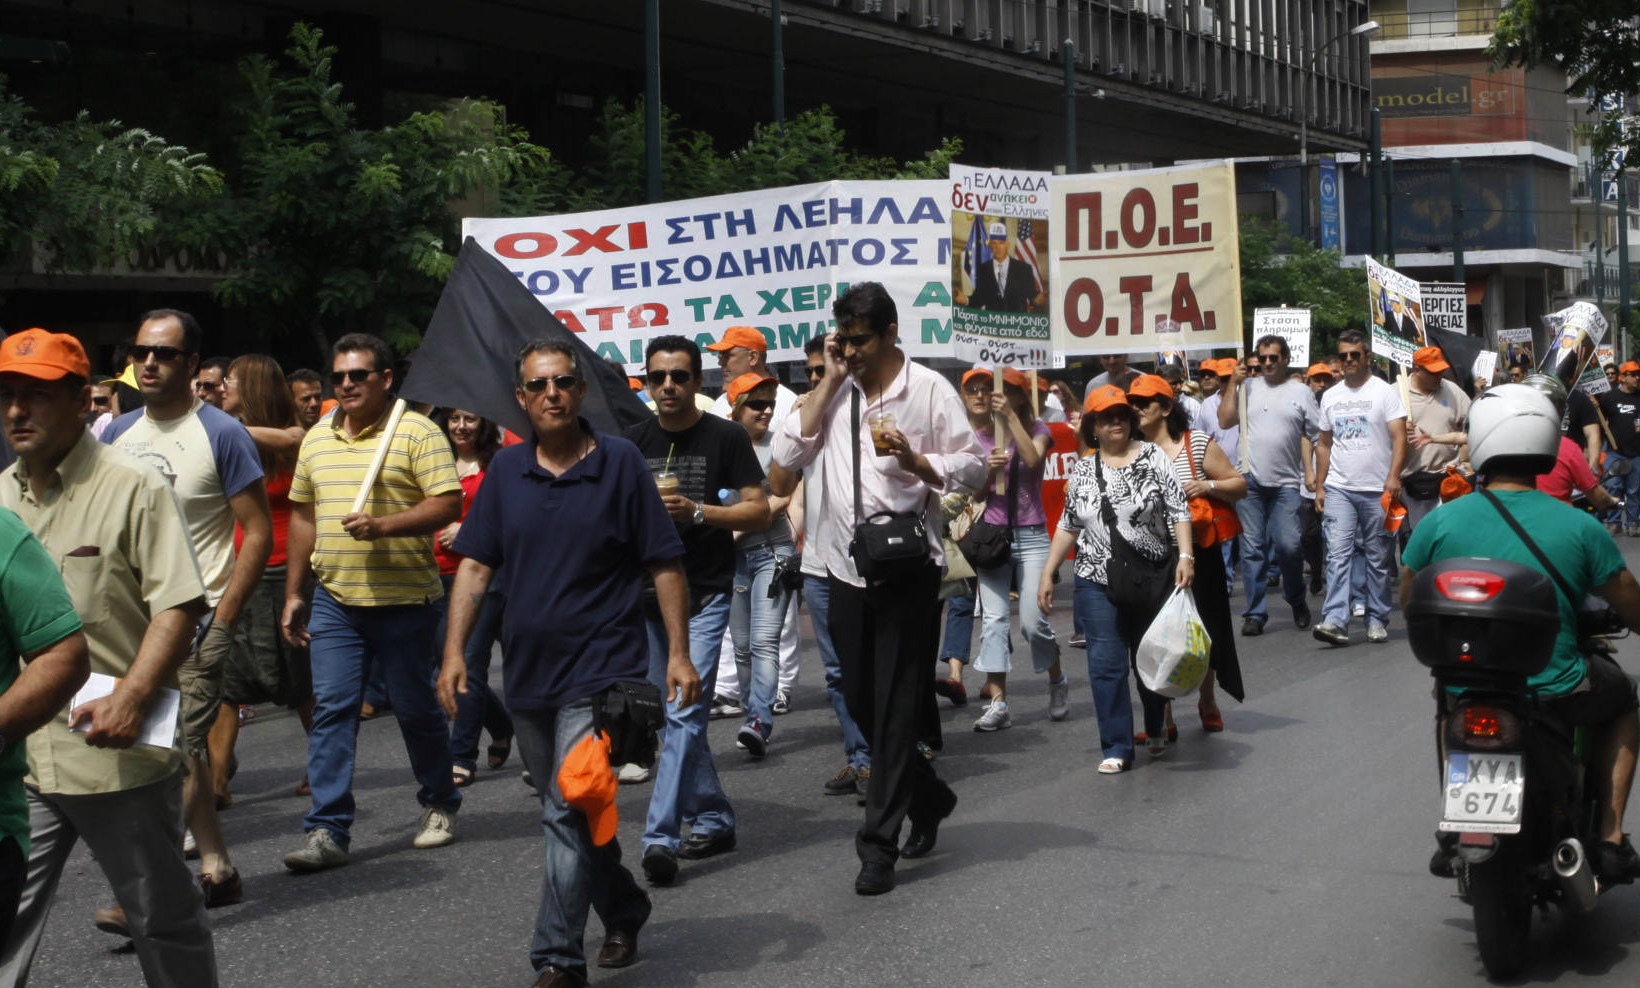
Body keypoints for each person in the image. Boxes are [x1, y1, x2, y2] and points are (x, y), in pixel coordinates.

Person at [437, 339, 696, 988]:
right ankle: (624, 905)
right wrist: (453, 653)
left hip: (601, 670)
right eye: (537, 386)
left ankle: (557, 957)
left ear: (579, 392)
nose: (551, 394)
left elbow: (663, 561)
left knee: (564, 806)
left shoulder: (620, 464)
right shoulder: (505, 472)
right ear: (521, 401)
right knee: (577, 812)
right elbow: (475, 564)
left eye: (562, 383)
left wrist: (680, 654)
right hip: (528, 675)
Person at [0, 328, 217, 987]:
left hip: (116, 740)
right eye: (7, 396)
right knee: (8, 924)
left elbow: (179, 605)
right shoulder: (2, 497)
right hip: (19, 752)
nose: (15, 412)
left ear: (79, 399)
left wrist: (135, 694)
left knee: (160, 918)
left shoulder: (133, 485)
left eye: (34, 397)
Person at [768, 282, 985, 895]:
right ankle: (929, 794)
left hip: (908, 568)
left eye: (860, 340)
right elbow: (784, 456)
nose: (851, 350)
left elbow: (973, 465)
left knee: (893, 707)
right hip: (842, 566)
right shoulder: (832, 390)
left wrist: (919, 462)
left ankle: (877, 846)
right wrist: (829, 381)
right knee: (859, 697)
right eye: (843, 339)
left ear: (890, 333)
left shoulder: (928, 390)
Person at [1404, 383, 1640, 884]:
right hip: (1559, 689)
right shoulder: (1579, 526)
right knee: (1623, 699)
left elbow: (1409, 599)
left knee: (1447, 704)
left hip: (1470, 687)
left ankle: (1454, 824)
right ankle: (1612, 836)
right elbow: (1629, 604)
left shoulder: (1441, 522)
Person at [102, 308, 271, 913]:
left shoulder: (222, 434)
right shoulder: (117, 436)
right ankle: (218, 864)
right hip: (132, 627)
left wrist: (224, 620)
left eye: (165, 353)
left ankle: (146, 889)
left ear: (192, 364)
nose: (149, 362)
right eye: (141, 350)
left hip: (198, 625)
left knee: (168, 750)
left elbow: (258, 533)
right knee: (179, 749)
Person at [279, 333, 464, 872]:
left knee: (414, 708)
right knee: (333, 708)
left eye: (359, 375)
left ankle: (439, 801)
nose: (347, 385)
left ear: (385, 379)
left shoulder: (417, 432)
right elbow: (303, 516)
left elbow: (447, 502)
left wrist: (384, 526)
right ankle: (327, 830)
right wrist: (294, 593)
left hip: (405, 597)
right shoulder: (317, 438)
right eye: (340, 376)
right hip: (335, 598)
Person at [624, 336, 769, 885]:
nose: (668, 386)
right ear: (645, 381)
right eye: (657, 377)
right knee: (670, 715)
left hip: (704, 593)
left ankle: (659, 835)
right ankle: (712, 814)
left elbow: (758, 511)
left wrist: (700, 513)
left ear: (698, 380)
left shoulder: (725, 436)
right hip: (645, 597)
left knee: (684, 713)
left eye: (679, 376)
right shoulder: (632, 441)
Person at [1038, 385, 1193, 774]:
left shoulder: (1154, 456)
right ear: (1092, 426)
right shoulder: (1084, 469)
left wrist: (1186, 556)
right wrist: (1048, 572)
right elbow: (1069, 524)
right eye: (1106, 417)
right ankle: (1117, 746)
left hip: (1151, 574)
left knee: (1149, 656)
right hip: (1095, 577)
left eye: (1121, 414)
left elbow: (1179, 509)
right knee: (1105, 664)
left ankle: (1155, 725)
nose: (1115, 422)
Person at [211, 355, 314, 806]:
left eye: (229, 381)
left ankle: (324, 766)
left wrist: (219, 427)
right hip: (237, 570)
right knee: (225, 681)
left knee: (301, 682)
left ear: (250, 387)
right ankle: (216, 782)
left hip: (286, 569)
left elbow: (295, 438)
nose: (221, 387)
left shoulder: (292, 435)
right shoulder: (225, 434)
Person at [1130, 373, 1246, 732]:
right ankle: (1162, 714)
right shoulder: (1130, 451)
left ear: (1165, 408)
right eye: (1131, 404)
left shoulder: (1196, 444)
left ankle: (1207, 699)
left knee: (1204, 630)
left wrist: (1206, 485)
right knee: (1156, 634)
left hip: (1199, 552)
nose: (1134, 411)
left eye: (1142, 404)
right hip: (1150, 558)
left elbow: (1239, 484)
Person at [792, 336, 872, 798]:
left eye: (827, 370)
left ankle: (892, 754)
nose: (818, 379)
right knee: (838, 671)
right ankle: (861, 758)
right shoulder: (805, 417)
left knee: (873, 666)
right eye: (812, 372)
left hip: (868, 563)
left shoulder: (866, 411)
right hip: (819, 564)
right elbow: (784, 473)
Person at [968, 367, 1067, 732]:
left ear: (1021, 396)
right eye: (993, 389)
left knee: (1032, 622)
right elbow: (975, 495)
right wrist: (984, 473)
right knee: (993, 622)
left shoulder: (1038, 429)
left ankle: (1057, 680)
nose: (996, 395)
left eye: (1006, 389)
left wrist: (1009, 418)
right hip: (992, 534)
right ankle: (998, 702)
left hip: (1032, 535)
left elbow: (1032, 460)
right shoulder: (978, 436)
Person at [432, 409, 514, 786]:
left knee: (470, 659)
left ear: (483, 423)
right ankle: (501, 725)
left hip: (485, 575)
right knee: (446, 661)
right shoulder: (432, 460)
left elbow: (510, 515)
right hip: (436, 575)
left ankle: (461, 755)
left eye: (469, 419)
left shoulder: (498, 463)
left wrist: (467, 528)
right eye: (453, 420)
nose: (460, 427)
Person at [718, 373, 797, 757]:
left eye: (770, 403)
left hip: (773, 552)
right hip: (734, 559)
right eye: (756, 404)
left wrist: (744, 521)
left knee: (765, 642)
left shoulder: (778, 445)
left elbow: (787, 495)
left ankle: (759, 721)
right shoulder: (720, 446)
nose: (766, 410)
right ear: (735, 408)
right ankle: (753, 713)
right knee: (743, 646)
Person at [1218, 335, 1318, 635]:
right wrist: (1233, 386)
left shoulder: (1300, 392)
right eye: (1262, 359)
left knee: (1289, 546)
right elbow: (1224, 421)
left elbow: (1314, 433)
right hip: (1249, 480)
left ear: (1286, 359)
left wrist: (1313, 472)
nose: (1268, 364)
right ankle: (1255, 613)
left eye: (1274, 358)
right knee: (1252, 549)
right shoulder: (1246, 388)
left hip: (1286, 482)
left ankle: (1296, 597)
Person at [1313, 330, 1407, 646]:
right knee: (1338, 554)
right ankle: (1335, 620)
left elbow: (1399, 438)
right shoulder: (1331, 396)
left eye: (1355, 354)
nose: (1349, 360)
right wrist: (1321, 485)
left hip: (1377, 489)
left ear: (1367, 356)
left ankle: (1377, 618)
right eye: (1344, 356)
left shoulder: (1385, 393)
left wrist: (1394, 476)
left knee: (1378, 558)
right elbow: (1324, 443)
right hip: (1340, 487)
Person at [1524, 374, 1619, 511]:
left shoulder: (1503, 444)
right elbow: (1595, 494)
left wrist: (1593, 468)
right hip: (1560, 517)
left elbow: (1593, 434)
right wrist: (1609, 500)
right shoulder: (1566, 448)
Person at [1401, 346, 1470, 536]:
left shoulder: (1452, 390)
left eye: (1441, 370)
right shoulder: (1397, 393)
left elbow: (1471, 426)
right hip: (1414, 482)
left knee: (1452, 537)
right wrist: (1398, 430)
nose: (1439, 376)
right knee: (1420, 540)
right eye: (1433, 372)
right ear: (1417, 370)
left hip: (1449, 478)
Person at [706, 327, 796, 424]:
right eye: (720, 356)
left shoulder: (788, 403)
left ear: (753, 357)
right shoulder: (720, 402)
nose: (720, 363)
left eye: (727, 356)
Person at [1300, 363, 1336, 596]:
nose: (1321, 384)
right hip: (1308, 485)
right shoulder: (1303, 409)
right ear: (1308, 381)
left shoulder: (1335, 403)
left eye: (1326, 379)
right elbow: (1306, 440)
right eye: (1317, 379)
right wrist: (1310, 473)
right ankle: (1315, 570)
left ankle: (1335, 578)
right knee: (1308, 534)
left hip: (1335, 484)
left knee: (1335, 537)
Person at [1598, 361, 1640, 534]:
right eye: (1633, 374)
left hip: (1637, 453)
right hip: (1614, 452)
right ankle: (1614, 522)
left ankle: (1632, 523)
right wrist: (1595, 405)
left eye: (1639, 374)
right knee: (1613, 487)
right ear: (1623, 378)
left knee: (1634, 491)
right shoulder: (1610, 397)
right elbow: (1600, 420)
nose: (1638, 377)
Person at [965, 221, 1042, 313]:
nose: (998, 247)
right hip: (992, 323)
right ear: (990, 246)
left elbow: (1032, 296)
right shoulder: (983, 269)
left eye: (1001, 243)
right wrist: (965, 300)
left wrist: (1039, 299)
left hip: (1016, 324)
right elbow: (978, 299)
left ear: (1007, 245)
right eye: (994, 243)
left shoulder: (1024, 269)